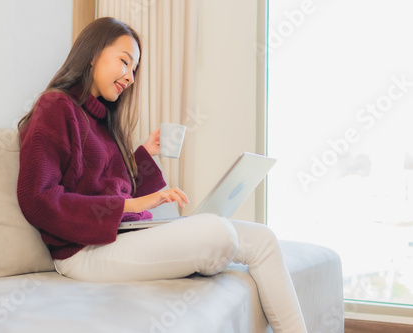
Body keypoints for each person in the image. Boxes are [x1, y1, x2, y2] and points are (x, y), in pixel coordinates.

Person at [17, 17, 307, 333]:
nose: (129, 77)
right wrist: (134, 204)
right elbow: (38, 199)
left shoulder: (103, 122)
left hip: (120, 236)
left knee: (263, 238)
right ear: (92, 54)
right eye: (124, 62)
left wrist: (142, 155)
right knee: (217, 233)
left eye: (134, 70)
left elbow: (111, 187)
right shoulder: (55, 107)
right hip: (81, 252)